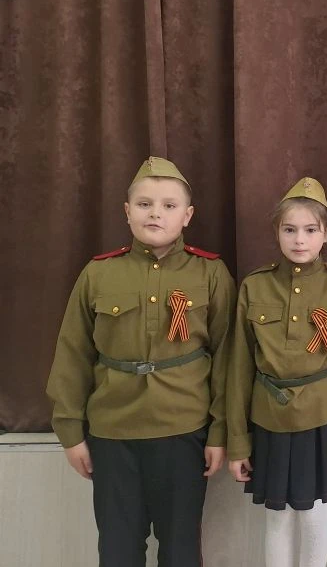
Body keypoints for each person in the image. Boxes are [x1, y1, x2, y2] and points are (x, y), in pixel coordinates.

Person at [46, 155, 236, 567]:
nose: (155, 213)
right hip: (113, 432)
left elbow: (228, 359)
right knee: (118, 548)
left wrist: (221, 431)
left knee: (181, 548)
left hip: (184, 430)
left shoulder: (210, 273)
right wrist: (70, 431)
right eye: (145, 204)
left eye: (169, 205)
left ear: (187, 216)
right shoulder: (98, 274)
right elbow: (73, 354)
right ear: (127, 211)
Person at [227, 176, 327, 567]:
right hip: (268, 420)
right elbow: (239, 368)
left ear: (326, 234)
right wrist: (238, 441)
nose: (300, 240)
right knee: (277, 517)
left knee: (314, 514)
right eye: (289, 229)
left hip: (319, 422)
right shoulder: (255, 286)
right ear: (277, 232)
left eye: (310, 230)